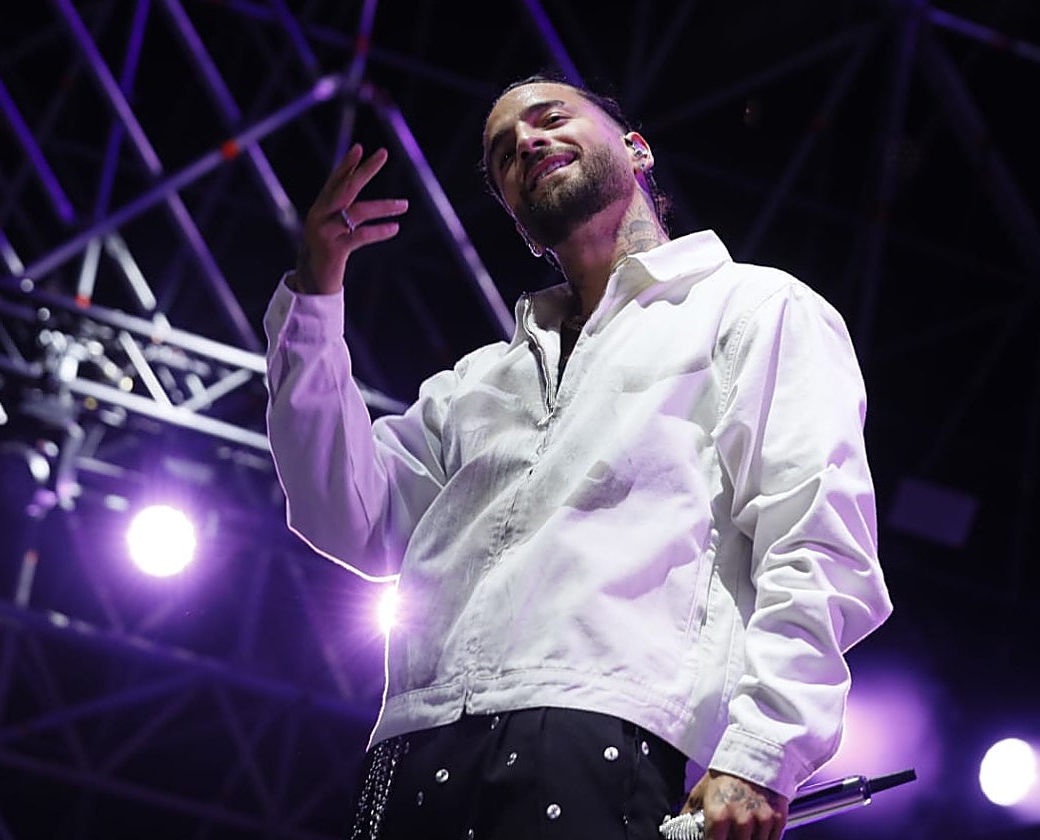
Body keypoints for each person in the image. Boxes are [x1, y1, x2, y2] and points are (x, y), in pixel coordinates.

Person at [264, 74, 893, 840]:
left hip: (604, 725)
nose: (525, 143)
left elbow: (818, 542)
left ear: (636, 148)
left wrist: (763, 752)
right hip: (412, 740)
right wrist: (315, 296)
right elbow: (345, 514)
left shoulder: (756, 309)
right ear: (519, 221)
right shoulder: (474, 385)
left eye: (549, 119)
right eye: (501, 153)